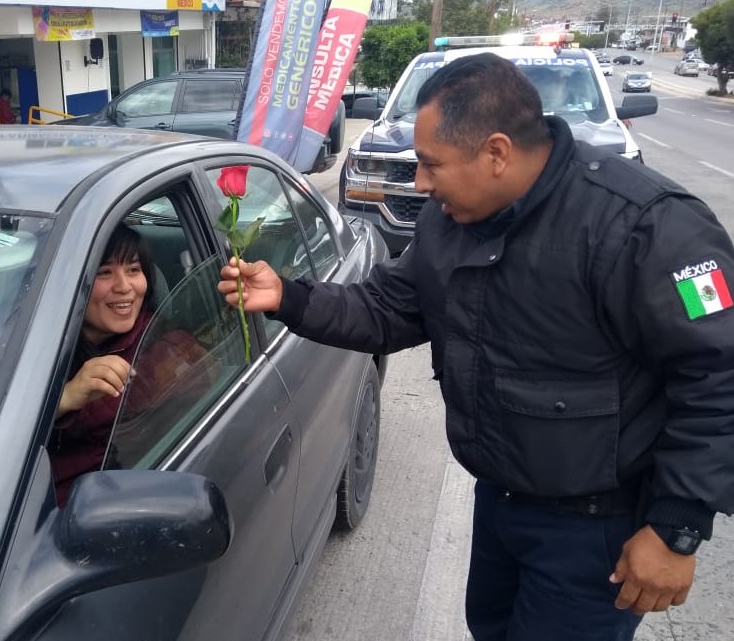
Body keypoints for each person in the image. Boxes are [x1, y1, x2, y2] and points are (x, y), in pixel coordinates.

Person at [218, 52, 734, 641]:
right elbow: (390, 308)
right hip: (501, 503)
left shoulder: (644, 226)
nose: (420, 182)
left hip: (597, 531)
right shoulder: (451, 220)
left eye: (432, 164)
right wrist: (287, 297)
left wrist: (677, 527)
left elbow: (719, 374)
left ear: (496, 152)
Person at [48, 224, 206, 506]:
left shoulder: (164, 350)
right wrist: (64, 398)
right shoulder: (44, 341)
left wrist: (62, 405)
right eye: (104, 272)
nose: (123, 287)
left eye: (133, 270)